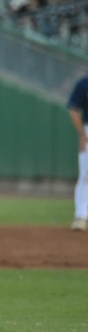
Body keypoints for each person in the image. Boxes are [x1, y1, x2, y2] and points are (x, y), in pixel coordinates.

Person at [67, 75, 88, 231]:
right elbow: (73, 108)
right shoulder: (84, 84)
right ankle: (81, 216)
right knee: (86, 175)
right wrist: (81, 133)